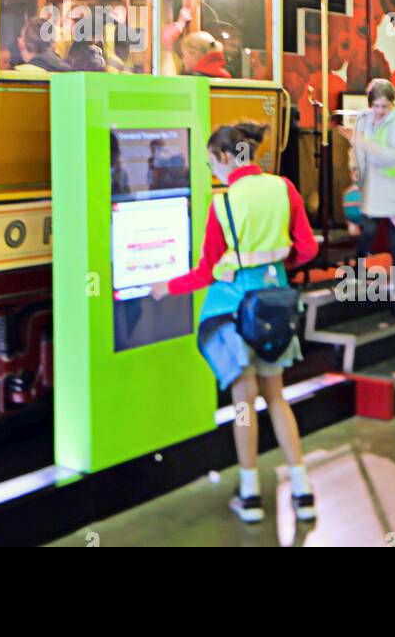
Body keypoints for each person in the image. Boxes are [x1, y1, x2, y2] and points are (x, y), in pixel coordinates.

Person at [151, 121, 317, 524]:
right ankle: (302, 488)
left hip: (234, 314)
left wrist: (166, 287)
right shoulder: (284, 188)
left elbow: (206, 272)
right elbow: (308, 248)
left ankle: (250, 492)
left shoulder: (223, 203)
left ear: (226, 157)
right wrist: (276, 270)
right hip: (275, 307)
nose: (213, 171)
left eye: (212, 163)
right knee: (277, 397)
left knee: (244, 404)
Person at [349, 79, 395, 315]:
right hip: (372, 185)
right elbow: (356, 150)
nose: (380, 111)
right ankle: (357, 269)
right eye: (376, 105)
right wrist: (356, 167)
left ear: (392, 104)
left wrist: (368, 147)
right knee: (368, 231)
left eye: (384, 106)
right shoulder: (363, 118)